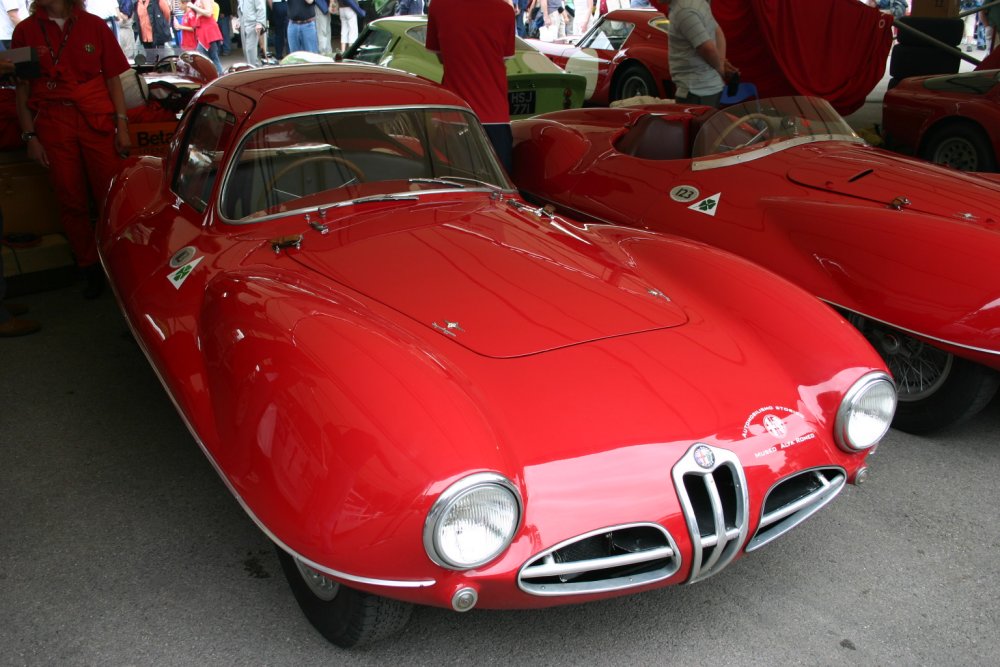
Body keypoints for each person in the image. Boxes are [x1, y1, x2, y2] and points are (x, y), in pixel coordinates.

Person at [12, 0, 131, 300]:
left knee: (111, 196)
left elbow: (113, 78)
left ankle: (121, 265)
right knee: (70, 199)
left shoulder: (95, 25)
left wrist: (123, 125)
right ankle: (88, 266)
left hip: (96, 119)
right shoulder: (25, 31)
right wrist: (30, 137)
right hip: (53, 123)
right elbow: (22, 89)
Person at [426, 0, 515, 173]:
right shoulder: (505, 11)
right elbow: (502, 59)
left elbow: (441, 56)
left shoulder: (438, 6)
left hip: (454, 115)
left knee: (456, 186)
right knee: (500, 190)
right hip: (495, 116)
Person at [660, 0, 736, 108]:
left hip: (696, 92)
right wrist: (721, 62)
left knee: (697, 125)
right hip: (705, 88)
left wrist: (720, 68)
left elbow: (707, 48)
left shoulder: (683, 10)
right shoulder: (696, 2)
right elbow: (718, 32)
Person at [237, 0, 265, 65]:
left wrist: (260, 22)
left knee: (250, 50)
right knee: (245, 50)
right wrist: (239, 20)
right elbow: (241, 8)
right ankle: (250, 69)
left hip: (253, 23)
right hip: (243, 23)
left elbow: (261, 8)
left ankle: (254, 70)